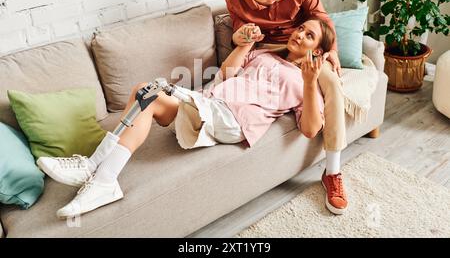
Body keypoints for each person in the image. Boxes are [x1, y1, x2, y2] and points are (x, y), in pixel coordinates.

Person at [37, 17, 347, 219]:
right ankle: (101, 178)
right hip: (211, 103)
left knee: (154, 91)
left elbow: (310, 129)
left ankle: (93, 168)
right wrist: (247, 44)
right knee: (142, 91)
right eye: (301, 29)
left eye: (310, 36)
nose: (300, 35)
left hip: (232, 120)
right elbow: (226, 74)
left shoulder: (305, 80)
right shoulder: (265, 54)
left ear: (317, 50)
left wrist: (309, 83)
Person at [225, 0, 348, 214]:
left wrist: (332, 50)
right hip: (267, 48)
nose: (273, 0)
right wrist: (244, 35)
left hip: (300, 46)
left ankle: (333, 172)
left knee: (333, 85)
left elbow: (321, 19)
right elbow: (237, 34)